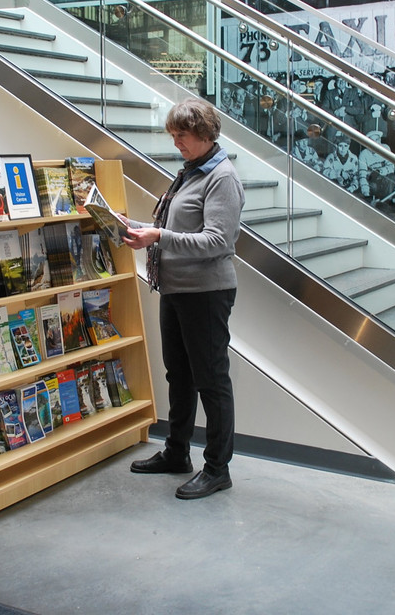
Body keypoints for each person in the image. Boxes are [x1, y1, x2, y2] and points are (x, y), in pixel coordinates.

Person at [124, 98, 245, 500]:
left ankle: (217, 468)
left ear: (206, 135)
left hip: (206, 293)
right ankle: (177, 453)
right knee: (180, 375)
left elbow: (217, 241)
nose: (176, 143)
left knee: (211, 381)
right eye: (173, 135)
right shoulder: (191, 173)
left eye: (183, 135)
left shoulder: (220, 177)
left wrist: (157, 237)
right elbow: (172, 227)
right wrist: (137, 227)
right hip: (176, 290)